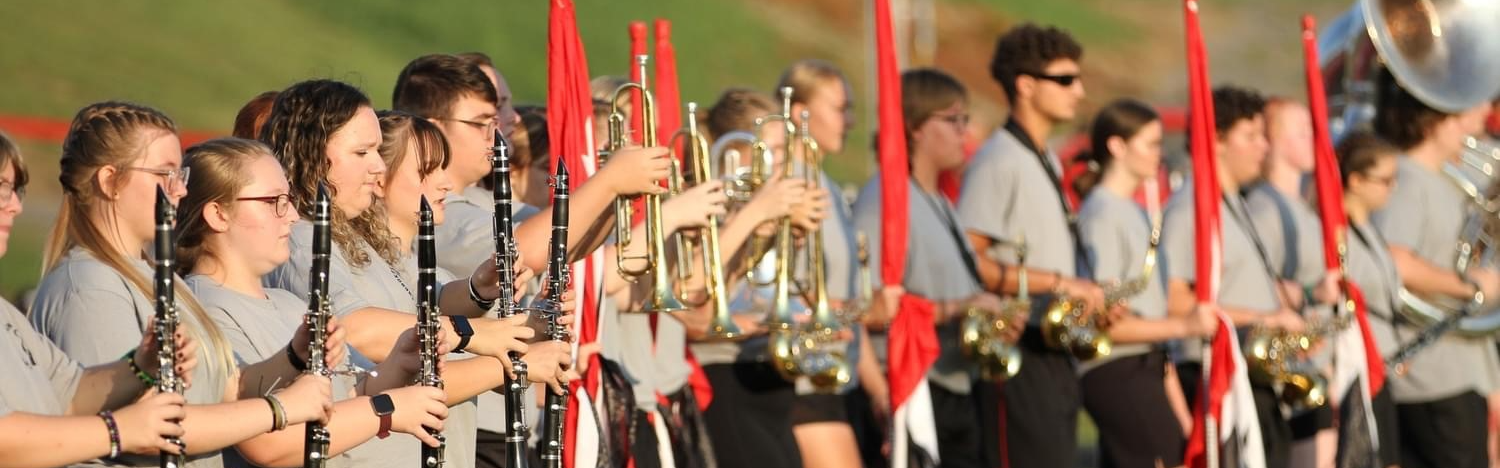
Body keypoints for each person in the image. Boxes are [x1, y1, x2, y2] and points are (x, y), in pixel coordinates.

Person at [257, 80, 548, 468]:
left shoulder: (364, 238)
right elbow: (354, 327)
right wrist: (483, 340)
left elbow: (431, 303)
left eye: (377, 151)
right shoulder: (303, 238)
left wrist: (483, 293)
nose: (378, 167)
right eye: (362, 152)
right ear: (312, 153)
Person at [28, 101, 335, 467]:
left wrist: (293, 356)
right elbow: (143, 427)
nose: (180, 191)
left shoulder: (155, 274)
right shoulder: (89, 285)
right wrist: (278, 410)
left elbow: (228, 388)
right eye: (165, 175)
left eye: (181, 177)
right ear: (110, 181)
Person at [174, 137, 455, 467]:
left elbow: (344, 398)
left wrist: (397, 366)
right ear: (218, 214)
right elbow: (268, 446)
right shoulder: (203, 308)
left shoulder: (288, 304)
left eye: (289, 199)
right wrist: (388, 411)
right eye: (273, 201)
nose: (292, 215)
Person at [0, 131, 198, 467]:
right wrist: (118, 430)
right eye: (2, 187)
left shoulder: (5, 313)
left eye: (15, 189)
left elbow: (69, 392)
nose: (16, 205)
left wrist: (140, 365)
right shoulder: (85, 285)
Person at [958, 23, 1103, 468]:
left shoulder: (1041, 158)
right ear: (1025, 85)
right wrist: (1062, 284)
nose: (1078, 91)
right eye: (1064, 80)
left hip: (1050, 350)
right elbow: (968, 260)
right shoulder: (999, 160)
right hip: (1016, 353)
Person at [853, 68, 1006, 468]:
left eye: (965, 120)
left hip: (953, 382)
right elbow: (865, 308)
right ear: (915, 126)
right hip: (915, 386)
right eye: (953, 119)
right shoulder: (884, 201)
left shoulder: (936, 198)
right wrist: (959, 309)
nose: (964, 132)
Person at [1162, 86, 1304, 467]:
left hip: (1251, 375)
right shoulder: (1189, 209)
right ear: (1217, 140)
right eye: (1251, 136)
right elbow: (1176, 301)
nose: (1263, 147)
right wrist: (1264, 319)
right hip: (1215, 375)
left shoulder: (1237, 204)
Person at [1072, 99, 1217, 468]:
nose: (1159, 153)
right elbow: (1105, 320)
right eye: (1151, 143)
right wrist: (1185, 325)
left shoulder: (1133, 210)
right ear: (1117, 146)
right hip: (1117, 369)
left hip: (1145, 366)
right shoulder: (1103, 212)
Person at [1370, 69, 1500, 468]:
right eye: (1464, 110)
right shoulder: (1408, 180)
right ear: (1435, 118)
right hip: (1432, 373)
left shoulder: (1444, 178)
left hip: (1460, 367)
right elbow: (1393, 259)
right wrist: (1468, 285)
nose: (1481, 115)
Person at [1332, 130, 1406, 468]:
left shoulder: (1370, 229)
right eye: (1385, 180)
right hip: (1359, 366)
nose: (1393, 188)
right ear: (1356, 180)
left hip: (1381, 362)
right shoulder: (1337, 234)